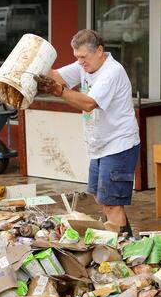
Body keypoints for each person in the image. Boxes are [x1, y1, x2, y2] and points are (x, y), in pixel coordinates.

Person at [35, 29, 141, 236]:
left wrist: (60, 91)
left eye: (83, 57)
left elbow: (90, 103)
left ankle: (119, 250)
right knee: (101, 198)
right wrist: (32, 66)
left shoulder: (112, 72)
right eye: (77, 57)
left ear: (99, 50)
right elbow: (56, 75)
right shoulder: (85, 65)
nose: (80, 62)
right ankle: (127, 239)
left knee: (111, 203)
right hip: (99, 145)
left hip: (119, 144)